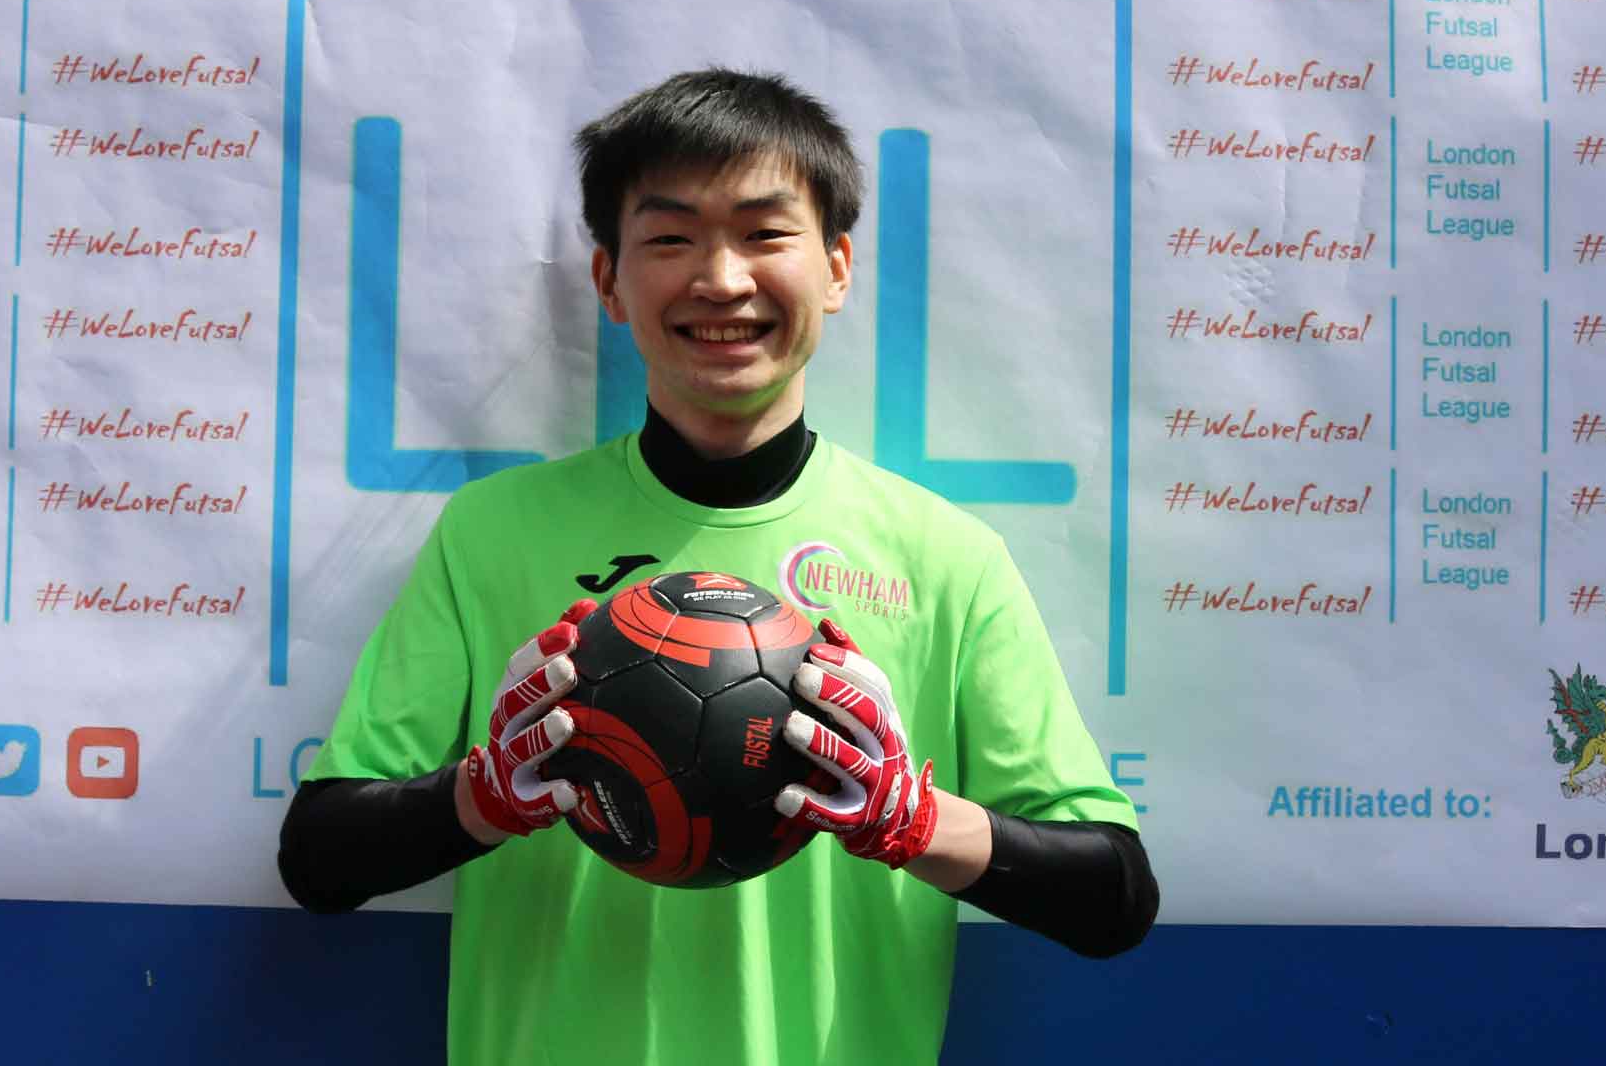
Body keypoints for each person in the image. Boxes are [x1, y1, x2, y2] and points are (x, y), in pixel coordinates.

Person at [279, 67, 1158, 1066]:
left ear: (836, 268)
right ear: (609, 281)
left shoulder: (946, 557)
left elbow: (1116, 896)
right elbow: (319, 857)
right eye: (670, 239)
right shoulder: (492, 532)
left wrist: (912, 819)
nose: (723, 280)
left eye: (765, 233)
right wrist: (482, 798)